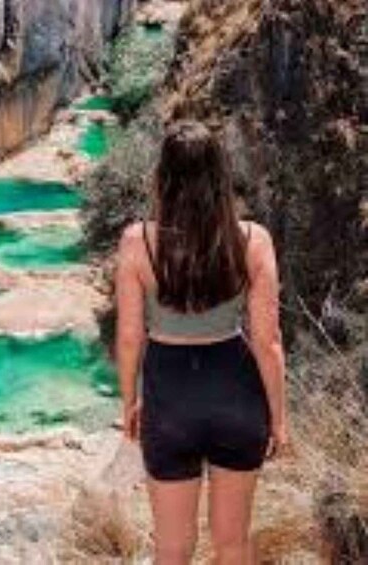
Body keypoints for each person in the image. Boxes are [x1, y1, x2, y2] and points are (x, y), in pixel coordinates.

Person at [113, 120, 289, 564]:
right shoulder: (253, 240)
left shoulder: (137, 242)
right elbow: (268, 341)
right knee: (233, 544)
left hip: (168, 397)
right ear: (220, 175)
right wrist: (279, 419)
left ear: (162, 177)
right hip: (236, 394)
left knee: (173, 548)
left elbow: (130, 338)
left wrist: (129, 402)